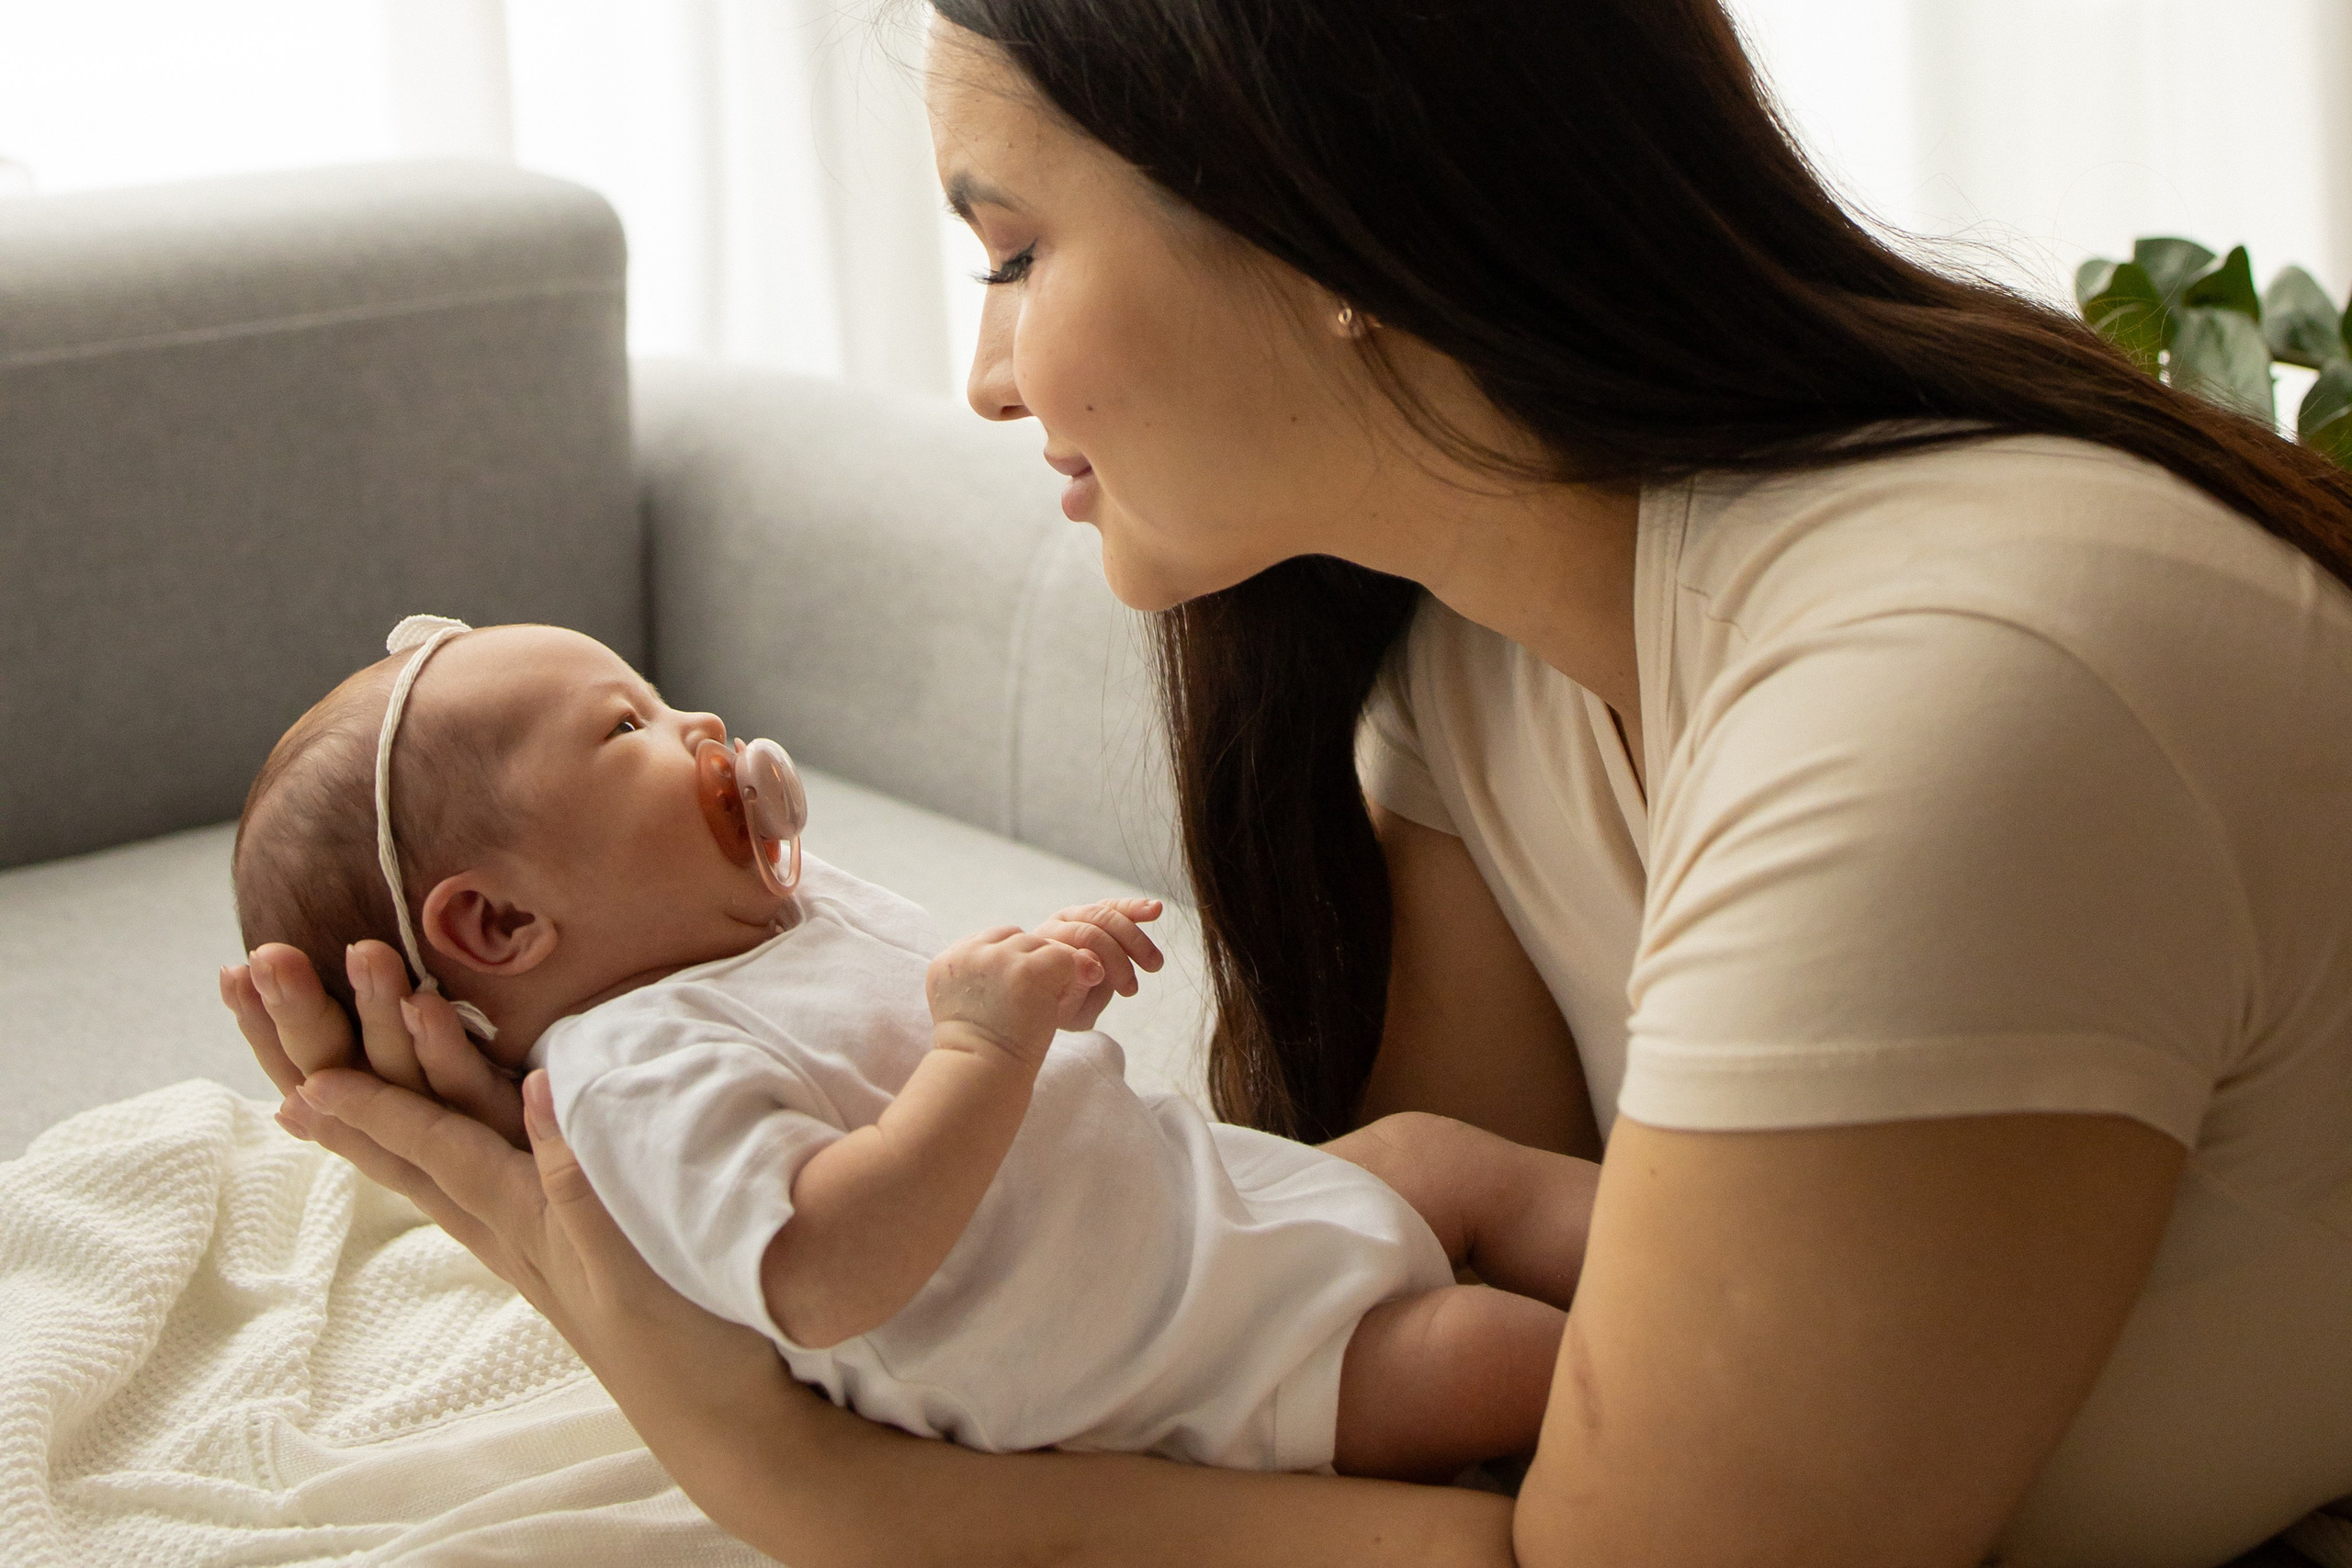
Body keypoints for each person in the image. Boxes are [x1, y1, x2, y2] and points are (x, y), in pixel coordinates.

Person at [226, 0, 2352, 1563]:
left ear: (1327, 218)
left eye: (1011, 250)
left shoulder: (1945, 704)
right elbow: (1386, 1391)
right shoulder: (1472, 670)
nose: (983, 374)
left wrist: (802, 1476)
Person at [231, 617, 1598, 1481]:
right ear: (506, 922)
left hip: (1211, 1204)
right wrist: (985, 1046)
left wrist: (1046, 966)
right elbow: (824, 1277)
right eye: (626, 727)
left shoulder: (776, 914)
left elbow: (929, 1006)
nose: (699, 727)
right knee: (1501, 1362)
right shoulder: (634, 1072)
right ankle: (1726, 1405)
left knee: (1446, 1158)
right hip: (1185, 1361)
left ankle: (1730, 1258)